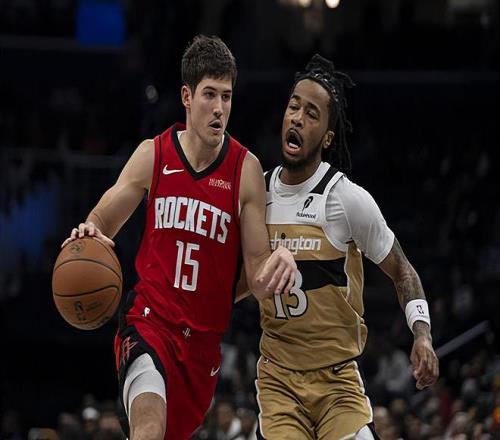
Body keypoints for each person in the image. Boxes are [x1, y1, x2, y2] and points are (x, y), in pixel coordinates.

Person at [62, 35, 296, 440]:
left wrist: (278, 265)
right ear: (187, 96)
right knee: (149, 427)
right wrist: (89, 231)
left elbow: (256, 277)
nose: (220, 107)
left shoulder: (245, 171)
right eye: (210, 94)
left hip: (202, 347)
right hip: (148, 322)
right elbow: (103, 218)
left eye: (226, 96)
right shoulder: (153, 154)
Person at [252, 55, 439, 439]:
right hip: (278, 380)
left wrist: (422, 333)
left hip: (337, 382)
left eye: (312, 114)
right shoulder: (257, 193)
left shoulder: (345, 198)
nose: (297, 118)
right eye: (293, 106)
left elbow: (402, 270)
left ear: (327, 137)